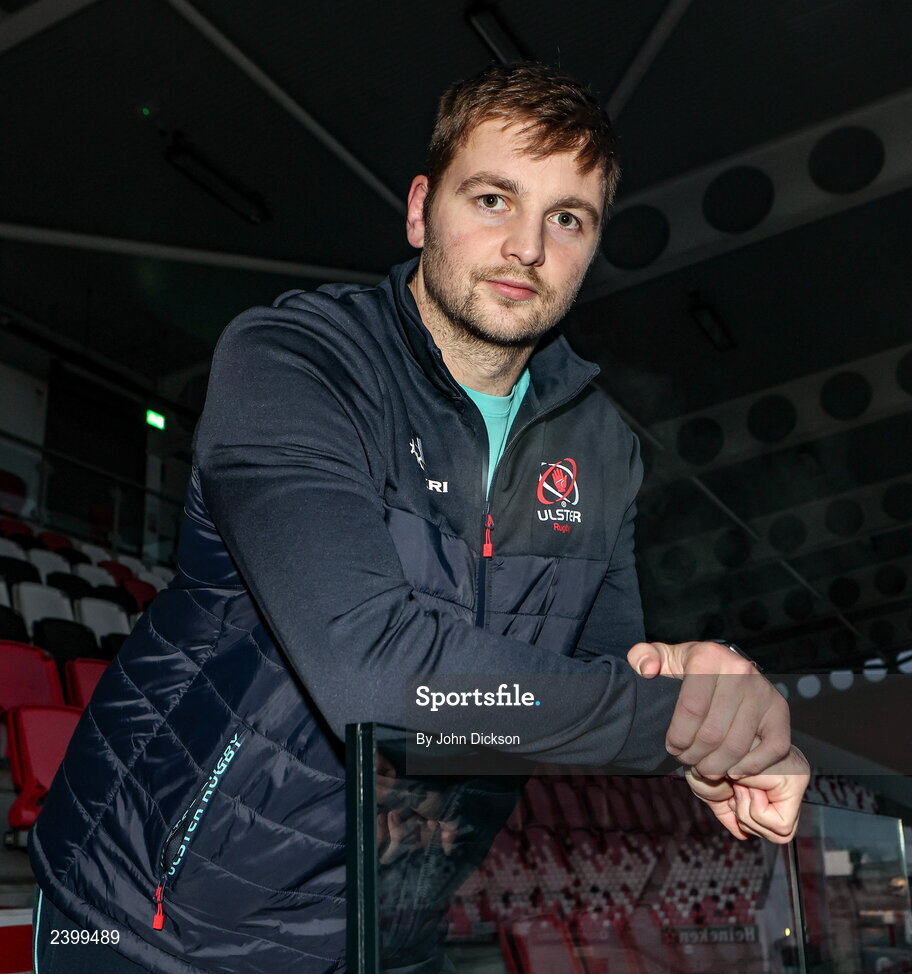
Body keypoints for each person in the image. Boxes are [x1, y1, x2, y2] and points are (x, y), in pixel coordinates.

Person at [29, 62, 809, 974]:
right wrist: (675, 720)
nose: (527, 246)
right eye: (492, 198)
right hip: (151, 921)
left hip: (386, 928)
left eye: (568, 218)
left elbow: (594, 677)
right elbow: (374, 674)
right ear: (418, 210)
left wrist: (714, 703)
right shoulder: (296, 363)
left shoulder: (602, 447)